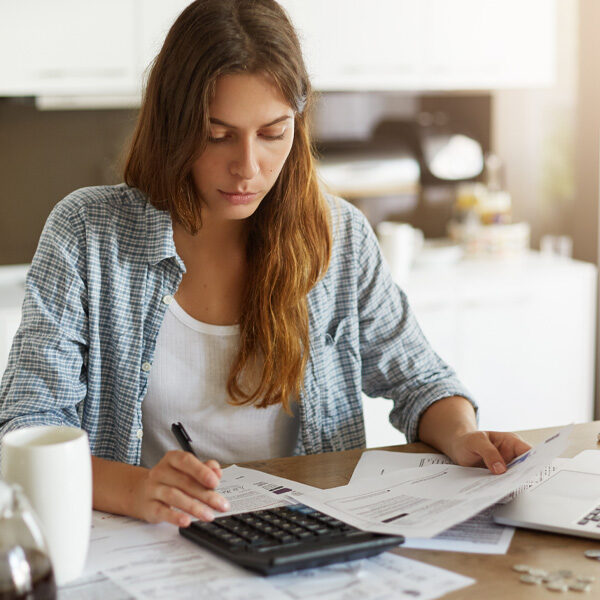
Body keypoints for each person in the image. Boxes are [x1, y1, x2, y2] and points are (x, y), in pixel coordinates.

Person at [0, 0, 530, 529]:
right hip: (149, 539)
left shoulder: (338, 236)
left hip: (305, 536)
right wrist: (138, 489)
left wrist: (462, 434)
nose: (247, 168)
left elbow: (421, 381)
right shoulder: (87, 234)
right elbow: (27, 426)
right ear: (173, 124)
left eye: (273, 133)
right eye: (217, 134)